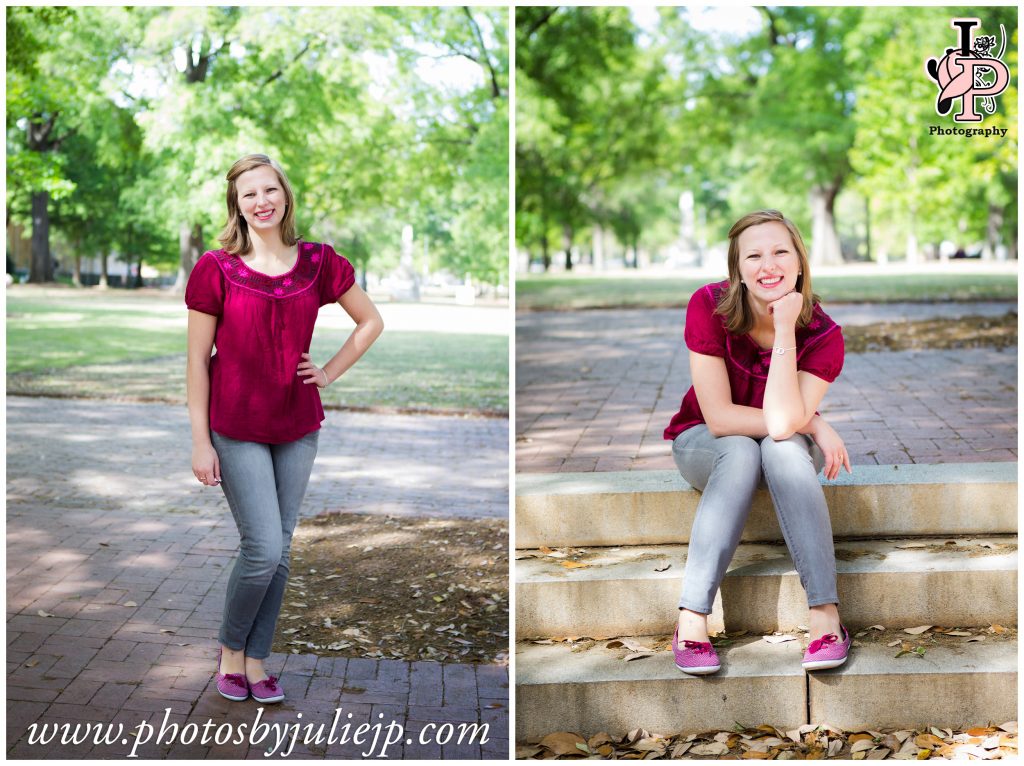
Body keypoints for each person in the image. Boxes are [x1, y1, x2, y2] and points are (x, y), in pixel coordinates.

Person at [185, 154, 384, 702]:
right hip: (235, 424)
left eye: (270, 190)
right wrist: (201, 442)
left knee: (283, 549)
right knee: (263, 547)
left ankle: (254, 661)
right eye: (249, 194)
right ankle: (229, 653)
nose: (261, 201)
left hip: (297, 424)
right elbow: (197, 361)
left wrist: (329, 372)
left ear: (285, 196)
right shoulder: (215, 268)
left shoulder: (318, 262)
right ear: (237, 204)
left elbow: (371, 321)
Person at [663, 209, 852, 675]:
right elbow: (722, 419)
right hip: (704, 440)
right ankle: (692, 617)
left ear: (800, 262)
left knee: (782, 449)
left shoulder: (824, 335)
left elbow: (783, 424)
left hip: (779, 442)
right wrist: (814, 425)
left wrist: (786, 327)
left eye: (780, 252)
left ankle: (825, 616)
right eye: (754, 256)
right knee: (744, 448)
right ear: (738, 269)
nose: (768, 265)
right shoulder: (707, 305)